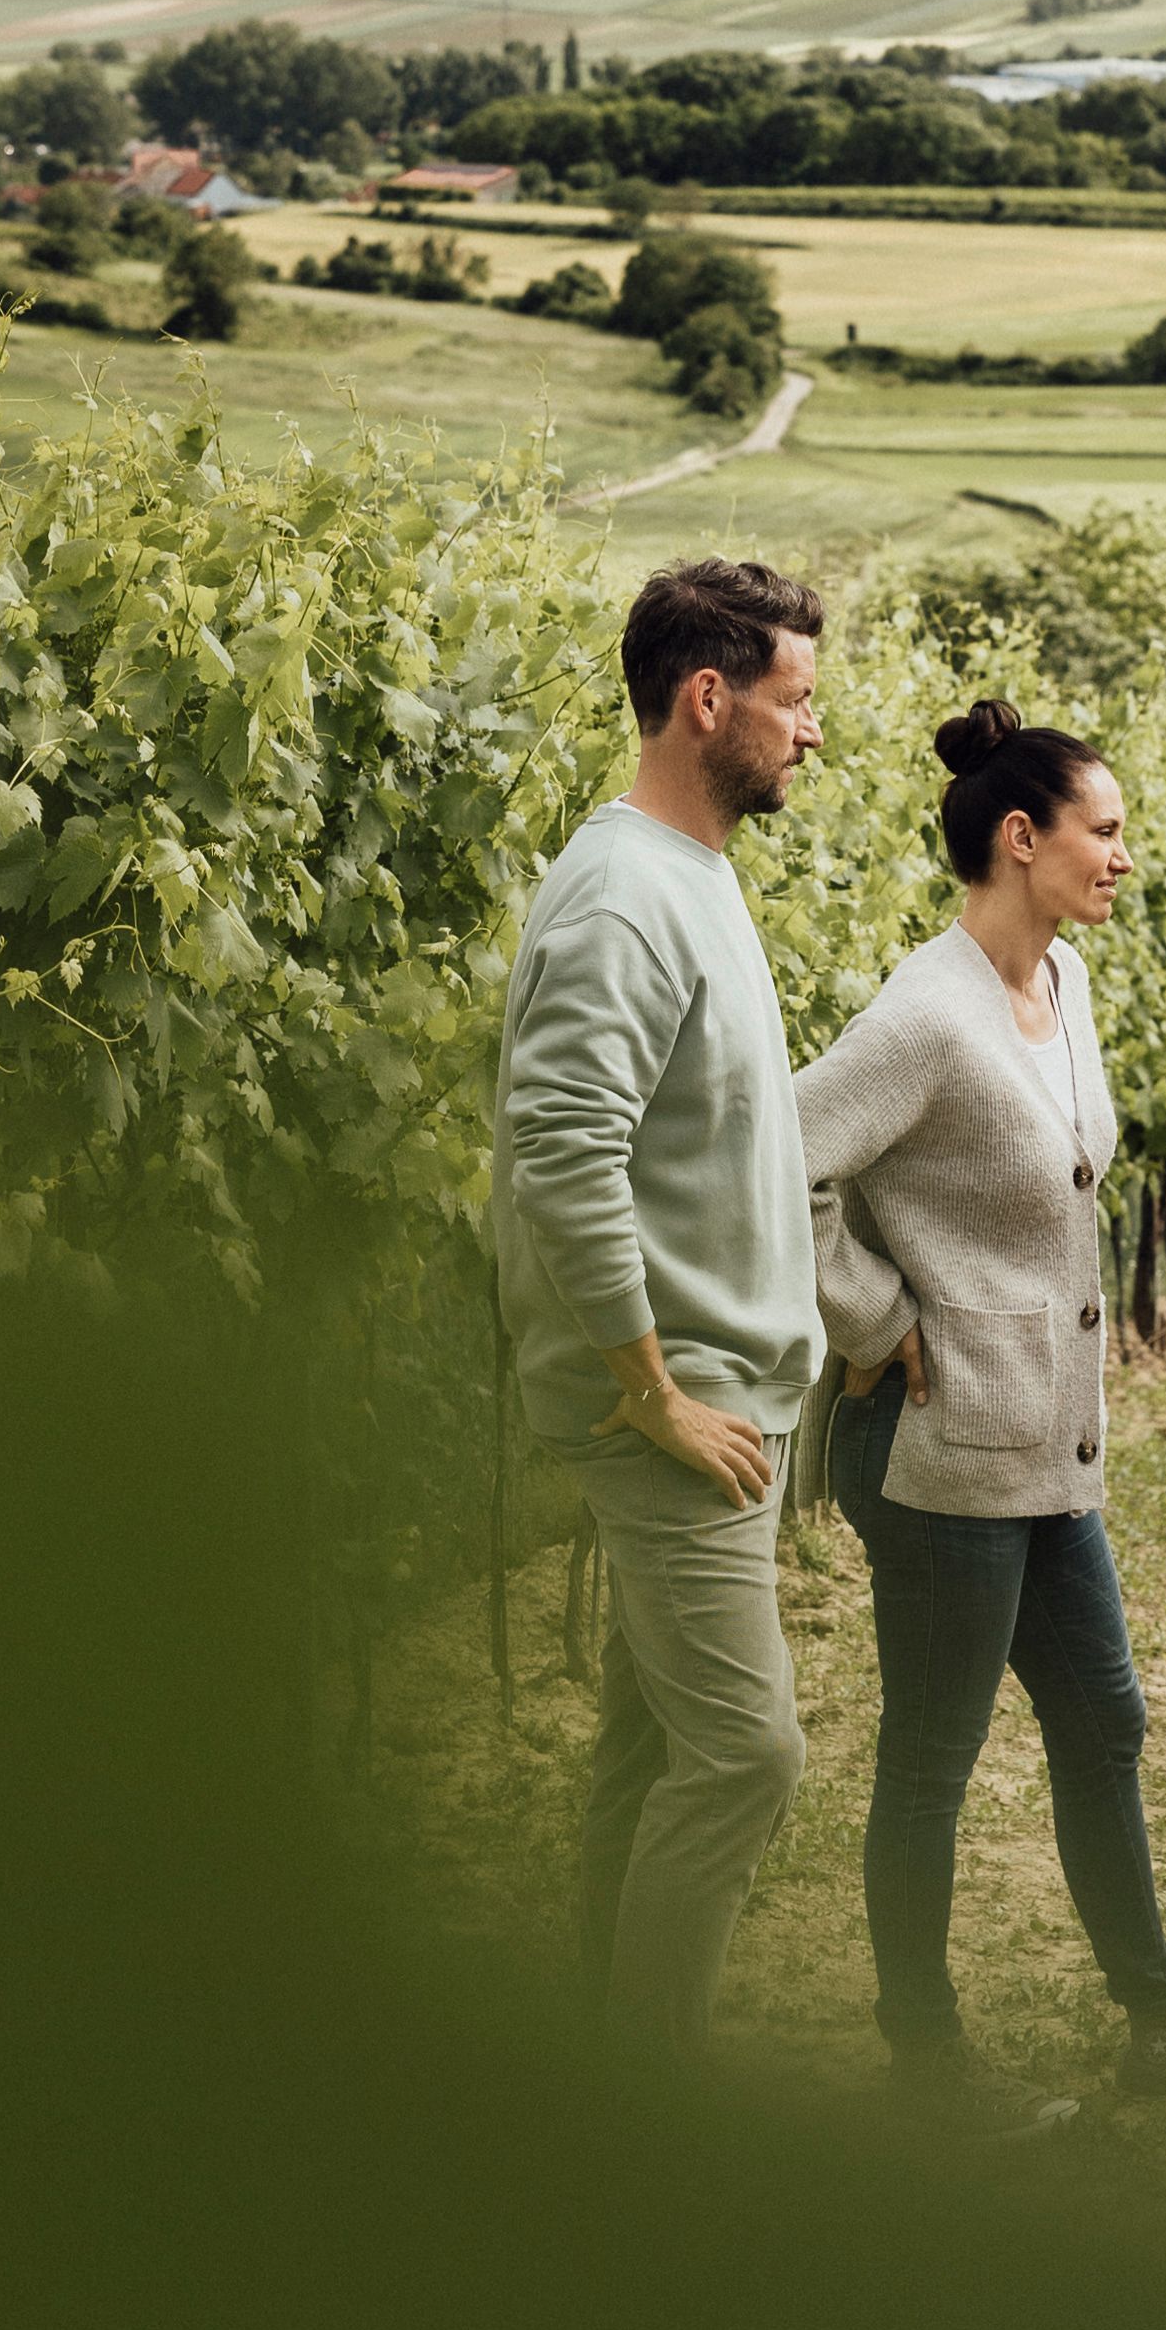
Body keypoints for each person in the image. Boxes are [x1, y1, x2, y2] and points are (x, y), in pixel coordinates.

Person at [790, 701, 1166, 2135]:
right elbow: (779, 1162)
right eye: (1105, 832)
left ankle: (1159, 2024)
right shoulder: (924, 1016)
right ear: (1020, 841)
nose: (1124, 859)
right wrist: (876, 1318)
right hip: (934, 1455)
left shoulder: (1062, 982)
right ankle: (924, 2065)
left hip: (1038, 1450)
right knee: (930, 1760)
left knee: (1102, 1721)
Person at [494, 554, 829, 2068]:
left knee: (650, 1751)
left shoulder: (687, 873)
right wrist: (648, 1391)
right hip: (675, 1412)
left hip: (718, 1397)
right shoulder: (627, 894)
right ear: (711, 699)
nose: (810, 732)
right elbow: (559, 1152)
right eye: (794, 698)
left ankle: (596, 2083)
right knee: (747, 1757)